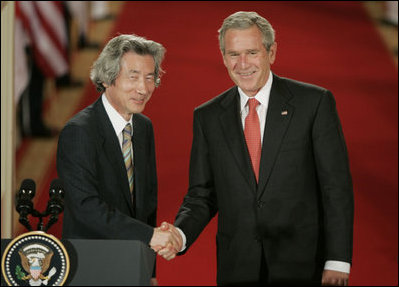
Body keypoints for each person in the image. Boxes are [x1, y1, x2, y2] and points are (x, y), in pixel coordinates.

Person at [159, 11, 354, 286]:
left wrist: (337, 260)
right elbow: (201, 194)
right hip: (237, 266)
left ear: (271, 52)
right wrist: (180, 234)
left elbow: (336, 188)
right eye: (233, 54)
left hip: (302, 264)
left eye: (251, 52)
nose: (242, 64)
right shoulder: (208, 116)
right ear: (223, 57)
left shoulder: (314, 103)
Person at [57, 34, 182, 285]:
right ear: (106, 78)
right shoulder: (79, 132)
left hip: (132, 265)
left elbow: (146, 204)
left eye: (150, 78)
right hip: (91, 266)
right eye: (133, 77)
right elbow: (86, 208)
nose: (143, 89)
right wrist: (150, 236)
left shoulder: (143, 127)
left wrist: (150, 271)